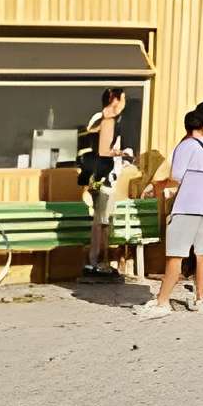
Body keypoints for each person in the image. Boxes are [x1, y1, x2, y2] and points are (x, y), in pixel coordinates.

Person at [144, 103, 203, 319]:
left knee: (176, 255)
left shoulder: (185, 146)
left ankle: (162, 301)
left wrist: (157, 186)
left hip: (187, 207)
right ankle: (201, 298)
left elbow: (177, 177)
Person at [79, 87, 129, 280]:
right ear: (114, 100)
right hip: (103, 178)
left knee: (101, 219)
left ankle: (98, 261)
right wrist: (122, 153)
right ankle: (97, 261)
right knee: (102, 220)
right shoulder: (108, 120)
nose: (124, 103)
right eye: (122, 99)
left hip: (95, 178)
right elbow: (103, 151)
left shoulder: (97, 119)